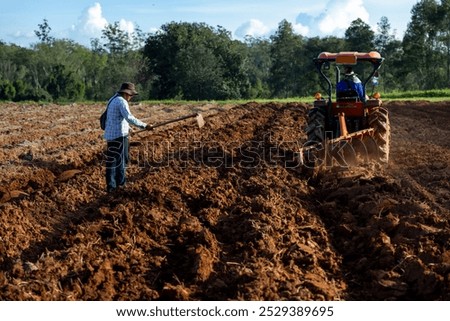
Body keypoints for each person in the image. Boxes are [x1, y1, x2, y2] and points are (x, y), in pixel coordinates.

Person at [103, 82, 152, 193]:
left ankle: (113, 186)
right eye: (131, 95)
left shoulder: (113, 99)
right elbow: (129, 117)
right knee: (119, 161)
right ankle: (119, 186)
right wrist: (145, 125)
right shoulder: (122, 102)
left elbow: (117, 118)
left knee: (115, 160)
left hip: (113, 135)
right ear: (126, 93)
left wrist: (129, 129)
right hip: (119, 136)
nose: (131, 97)